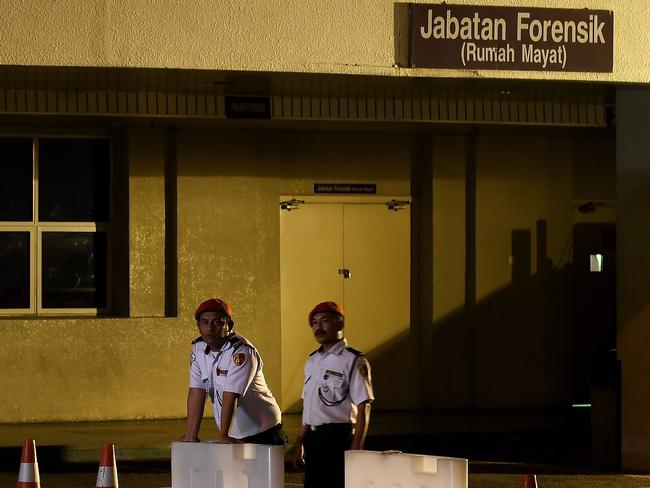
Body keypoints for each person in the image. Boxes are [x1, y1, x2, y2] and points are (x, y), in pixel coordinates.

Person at [292, 301, 374, 488]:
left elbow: (364, 406)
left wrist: (356, 451)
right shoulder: (313, 360)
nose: (318, 327)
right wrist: (300, 442)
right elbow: (308, 406)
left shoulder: (353, 360)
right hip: (313, 440)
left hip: (337, 440)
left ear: (340, 324)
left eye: (324, 321)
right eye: (314, 322)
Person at [182, 297, 285, 445]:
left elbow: (231, 395)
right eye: (205, 322)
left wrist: (223, 435)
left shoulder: (241, 352)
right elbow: (196, 393)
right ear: (198, 325)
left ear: (229, 325)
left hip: (263, 431)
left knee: (257, 469)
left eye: (217, 322)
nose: (210, 328)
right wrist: (190, 436)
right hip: (235, 433)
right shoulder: (198, 349)